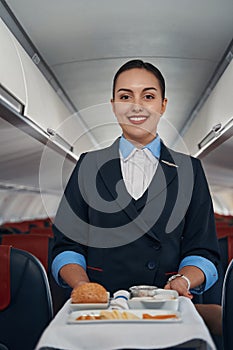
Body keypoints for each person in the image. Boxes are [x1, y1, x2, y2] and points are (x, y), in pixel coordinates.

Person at [51, 59, 220, 302]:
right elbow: (66, 246)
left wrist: (182, 281)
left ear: (163, 105)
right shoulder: (88, 165)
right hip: (101, 305)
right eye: (125, 96)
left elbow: (203, 249)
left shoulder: (189, 170)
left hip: (165, 303)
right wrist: (83, 286)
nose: (136, 106)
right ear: (113, 105)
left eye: (148, 96)